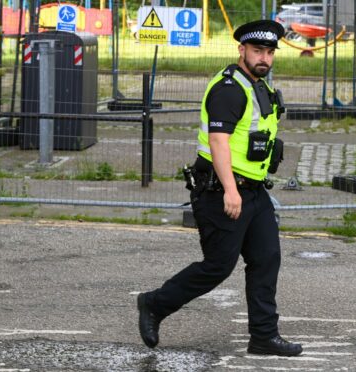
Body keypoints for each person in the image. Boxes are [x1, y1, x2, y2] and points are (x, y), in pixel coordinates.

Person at [136, 19, 302, 357]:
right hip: (221, 191)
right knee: (217, 266)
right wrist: (230, 190)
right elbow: (218, 142)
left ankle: (264, 336)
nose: (264, 58)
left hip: (254, 191)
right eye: (258, 51)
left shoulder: (261, 86)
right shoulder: (229, 88)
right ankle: (154, 304)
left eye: (270, 52)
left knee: (266, 260)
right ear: (242, 50)